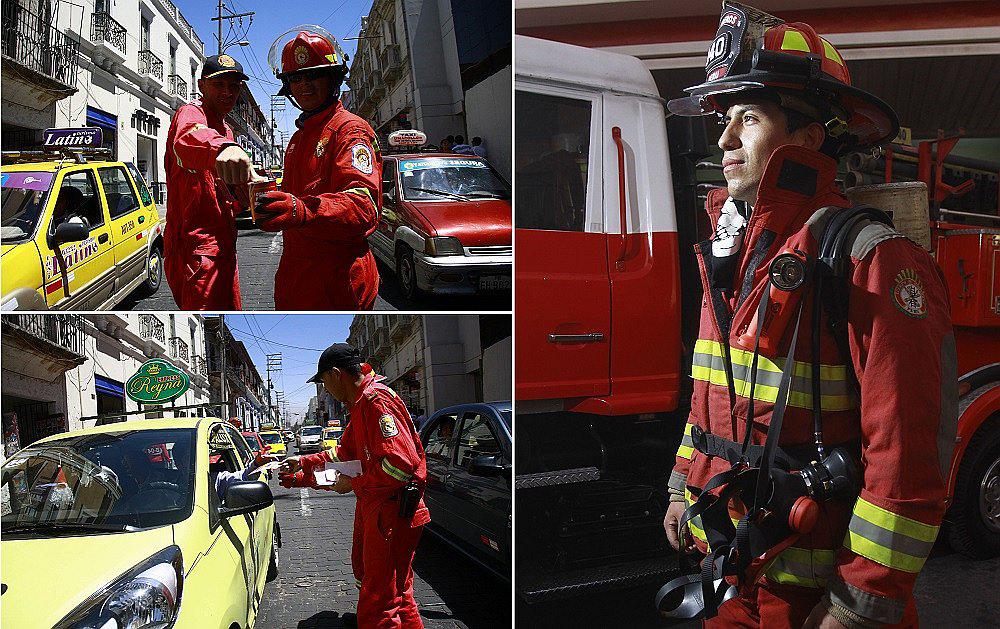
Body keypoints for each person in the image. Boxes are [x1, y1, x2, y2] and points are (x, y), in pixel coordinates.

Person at [660, 4, 955, 628]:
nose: (724, 140)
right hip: (733, 582)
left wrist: (858, 609)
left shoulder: (870, 260)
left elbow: (908, 460)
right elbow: (713, 393)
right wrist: (682, 486)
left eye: (748, 118)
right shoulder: (732, 255)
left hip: (819, 606)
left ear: (807, 137)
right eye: (723, 119)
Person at [280, 343, 429, 628]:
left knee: (380, 602)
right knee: (395, 593)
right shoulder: (362, 405)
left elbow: (400, 465)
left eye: (324, 382)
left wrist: (356, 484)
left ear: (336, 375)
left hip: (390, 512)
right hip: (383, 509)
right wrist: (302, 467)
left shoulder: (375, 402)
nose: (326, 390)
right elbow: (341, 456)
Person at [257, 26, 381, 309]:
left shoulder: (349, 130)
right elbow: (295, 196)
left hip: (337, 282)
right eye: (296, 78)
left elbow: (363, 207)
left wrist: (302, 210)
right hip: (298, 278)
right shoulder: (300, 136)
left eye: (314, 75)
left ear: (334, 78)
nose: (304, 85)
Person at [163, 54, 253, 310]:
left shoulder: (226, 130)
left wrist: (247, 193)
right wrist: (223, 148)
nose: (227, 92)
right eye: (219, 84)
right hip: (198, 249)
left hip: (223, 245)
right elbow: (188, 139)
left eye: (234, 86)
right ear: (202, 85)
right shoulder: (191, 113)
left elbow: (220, 190)